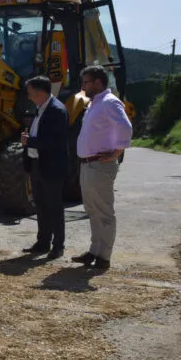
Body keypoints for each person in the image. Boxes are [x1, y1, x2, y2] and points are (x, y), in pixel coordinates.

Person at [72, 65, 133, 271]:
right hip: (89, 165)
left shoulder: (109, 102)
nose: (83, 86)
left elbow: (125, 127)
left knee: (103, 211)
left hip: (99, 165)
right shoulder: (94, 103)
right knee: (93, 210)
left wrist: (117, 152)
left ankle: (104, 256)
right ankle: (94, 251)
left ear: (98, 82)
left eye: (86, 82)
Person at [21, 76, 69, 260]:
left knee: (54, 207)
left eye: (30, 91)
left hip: (51, 166)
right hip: (37, 164)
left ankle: (58, 246)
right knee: (40, 205)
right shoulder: (39, 109)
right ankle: (43, 242)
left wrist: (30, 141)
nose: (29, 95)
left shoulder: (57, 110)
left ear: (40, 92)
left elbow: (55, 141)